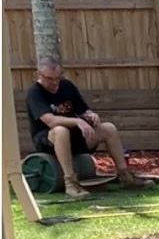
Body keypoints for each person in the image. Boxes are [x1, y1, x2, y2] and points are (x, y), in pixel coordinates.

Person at [26, 60, 150, 198]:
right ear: (38, 75)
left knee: (109, 128)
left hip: (74, 136)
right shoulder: (35, 93)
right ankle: (70, 183)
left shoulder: (67, 86)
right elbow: (51, 121)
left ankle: (125, 176)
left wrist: (90, 116)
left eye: (58, 78)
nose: (55, 83)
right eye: (50, 79)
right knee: (61, 130)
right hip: (48, 141)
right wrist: (77, 121)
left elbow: (83, 110)